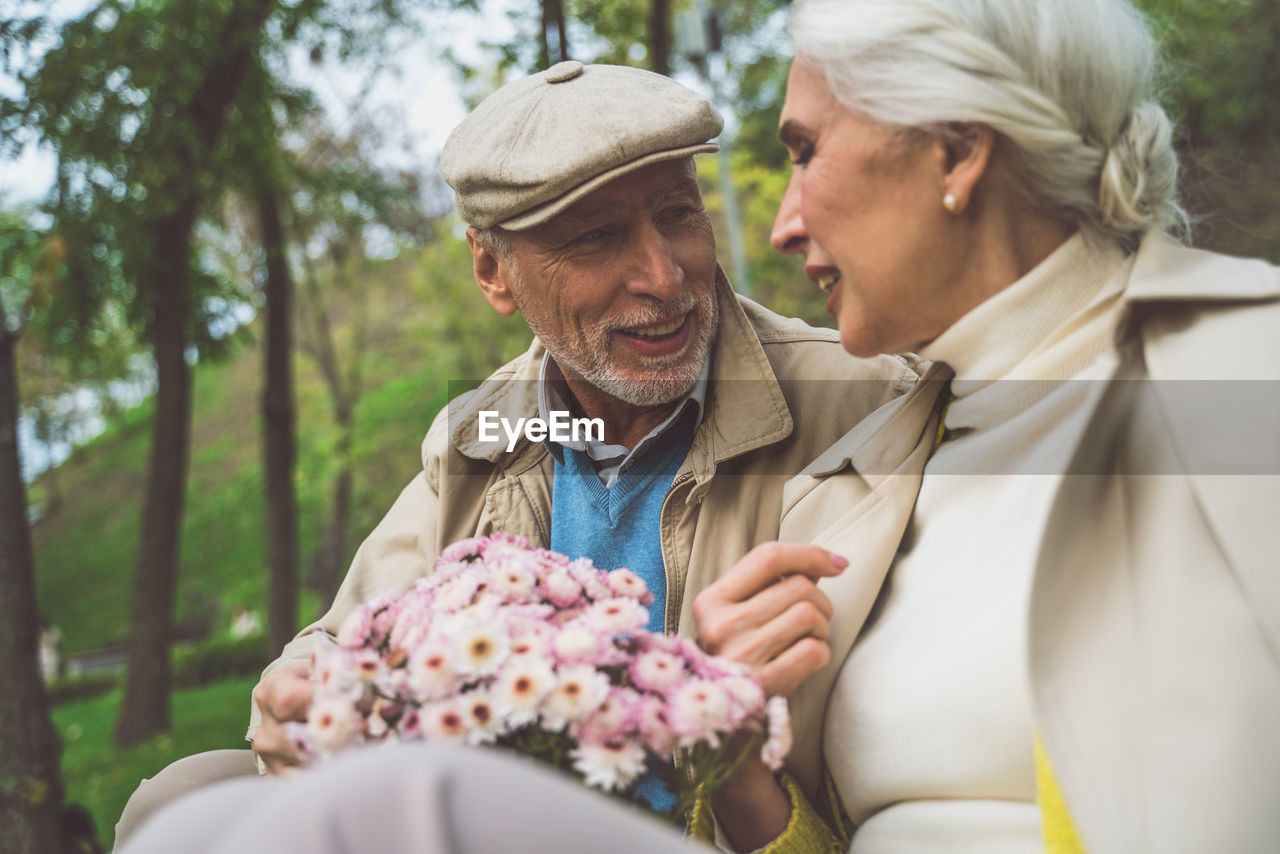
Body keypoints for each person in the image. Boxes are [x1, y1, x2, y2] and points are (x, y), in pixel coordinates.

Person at [113, 60, 916, 847]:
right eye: (598, 238)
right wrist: (297, 699)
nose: (665, 277)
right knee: (179, 801)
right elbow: (345, 636)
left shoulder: (868, 404)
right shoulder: (477, 434)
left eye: (677, 214)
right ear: (494, 272)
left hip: (729, 828)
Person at [692, 0, 1280, 852]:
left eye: (806, 153)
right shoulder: (836, 498)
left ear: (958, 149)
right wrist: (740, 775)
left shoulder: (1249, 370)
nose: (783, 226)